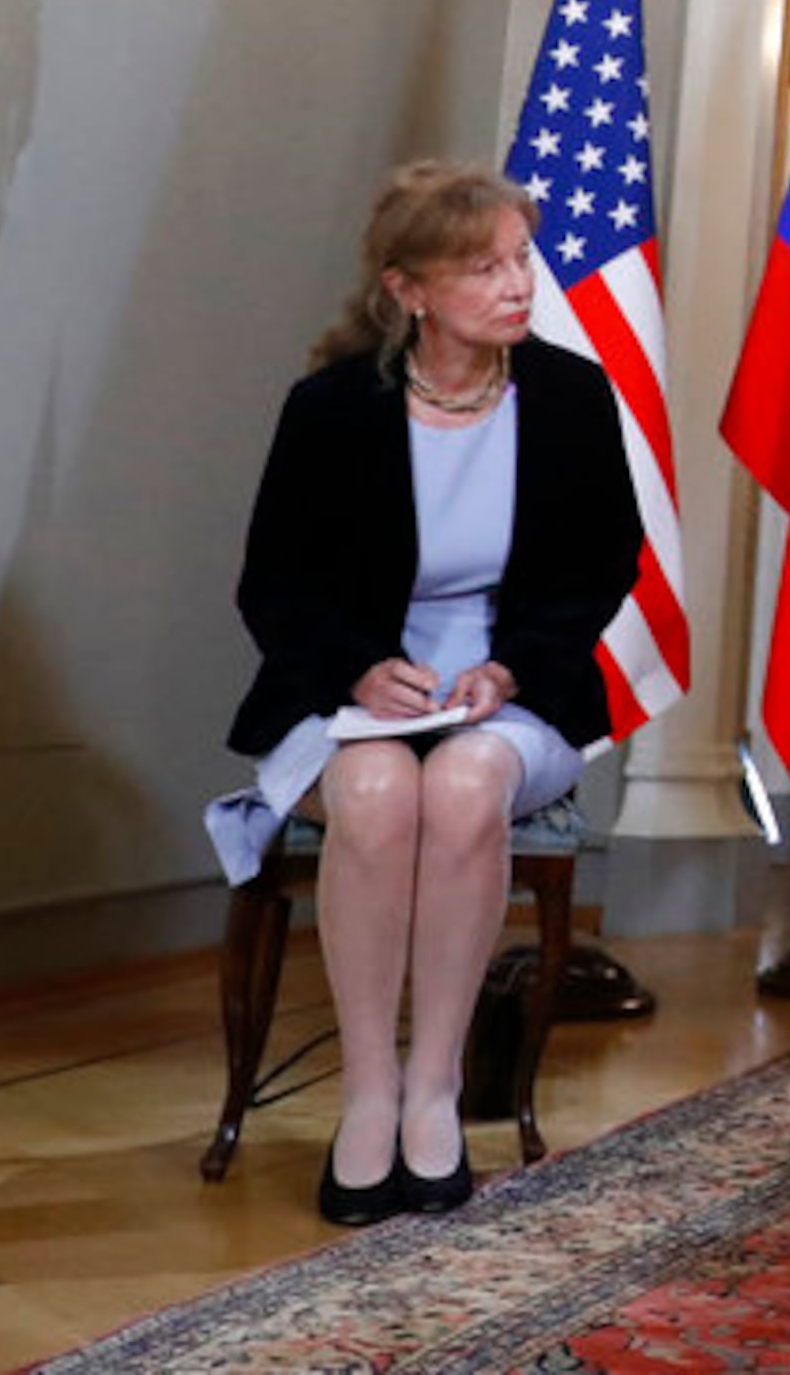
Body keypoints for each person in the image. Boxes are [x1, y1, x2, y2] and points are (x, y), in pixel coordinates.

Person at [212, 161, 640, 1227]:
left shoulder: (574, 398)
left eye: (520, 260)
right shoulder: (330, 410)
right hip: (350, 688)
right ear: (409, 289)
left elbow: (602, 566)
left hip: (514, 691)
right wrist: (359, 668)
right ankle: (369, 1094)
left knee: (461, 785)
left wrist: (508, 670)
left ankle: (437, 1089)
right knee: (371, 796)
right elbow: (273, 582)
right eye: (484, 266)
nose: (517, 285)